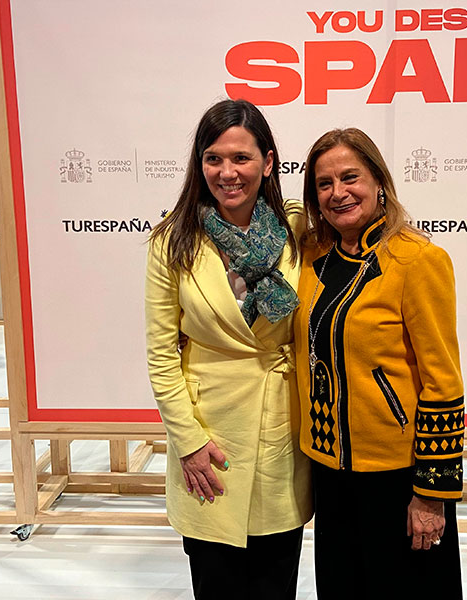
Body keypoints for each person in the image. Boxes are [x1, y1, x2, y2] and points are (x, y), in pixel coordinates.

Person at [145, 99, 312, 600]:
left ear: (268, 161)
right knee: (215, 580)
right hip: (208, 432)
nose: (227, 172)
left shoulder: (297, 230)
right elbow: (161, 354)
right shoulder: (172, 242)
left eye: (241, 157)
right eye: (213, 158)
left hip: (280, 424)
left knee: (275, 579)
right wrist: (188, 441)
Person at [295, 128, 465, 599]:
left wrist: (431, 493)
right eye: (324, 183)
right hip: (329, 474)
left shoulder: (417, 260)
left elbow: (443, 381)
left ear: (378, 182)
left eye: (350, 177)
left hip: (398, 479)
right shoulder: (312, 257)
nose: (338, 192)